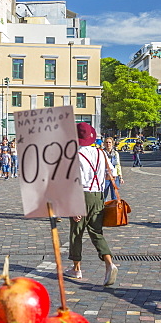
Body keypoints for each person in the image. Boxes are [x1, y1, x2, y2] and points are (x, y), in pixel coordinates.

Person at [69, 122, 118, 285]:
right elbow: (113, 172)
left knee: (77, 232)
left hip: (82, 194)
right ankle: (109, 263)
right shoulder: (101, 153)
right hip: (98, 196)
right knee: (96, 232)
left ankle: (76, 268)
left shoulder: (76, 155)